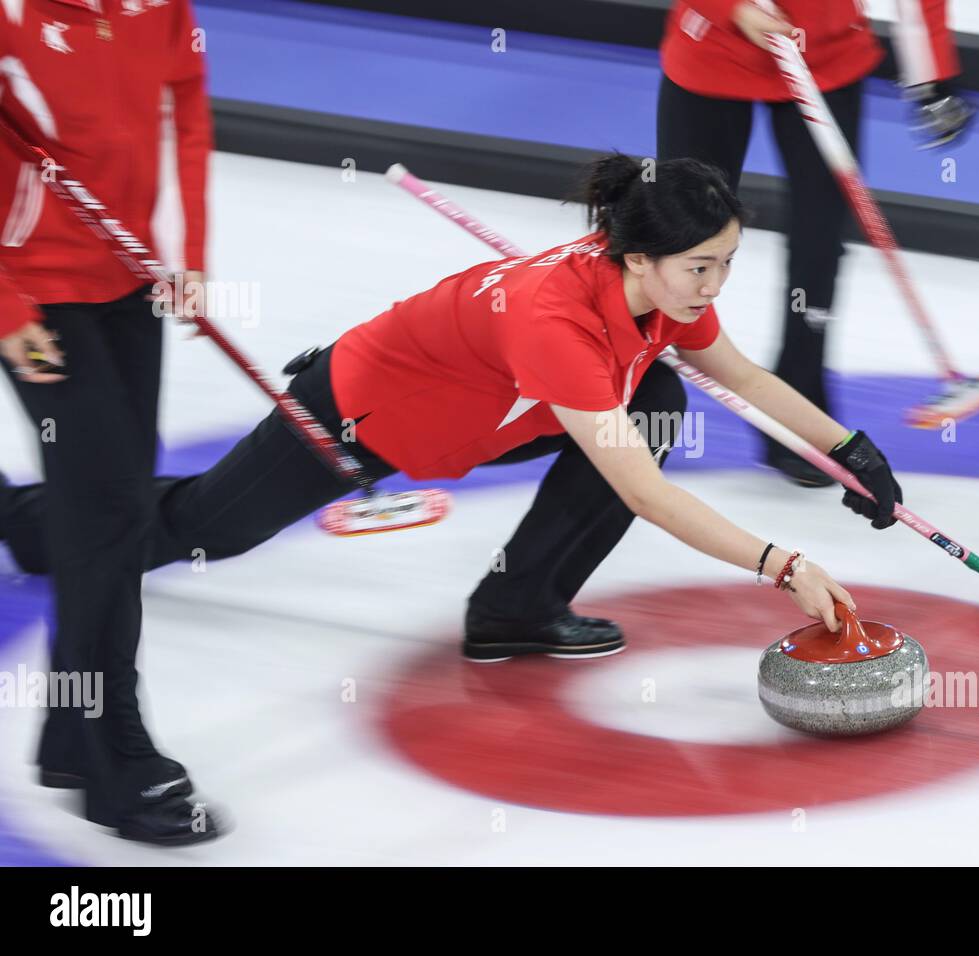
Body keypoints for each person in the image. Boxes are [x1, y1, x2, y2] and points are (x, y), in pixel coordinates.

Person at [2, 155, 904, 669]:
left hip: (483, 417)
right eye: (701, 266)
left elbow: (742, 376)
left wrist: (848, 449)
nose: (714, 286)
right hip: (363, 412)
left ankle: (516, 606)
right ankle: (35, 521)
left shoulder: (666, 294)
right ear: (636, 259)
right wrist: (784, 565)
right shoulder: (558, 323)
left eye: (726, 264)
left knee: (659, 394)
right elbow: (644, 491)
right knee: (207, 529)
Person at [0, 0, 217, 844]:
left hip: (127, 277)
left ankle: (69, 734)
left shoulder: (162, 6)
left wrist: (190, 251)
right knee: (106, 515)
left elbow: (188, 106)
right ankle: (110, 756)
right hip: (37, 294)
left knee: (113, 506)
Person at [657, 0, 970, 485]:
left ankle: (799, 416)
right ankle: (630, 393)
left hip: (825, 57)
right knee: (679, 235)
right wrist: (733, 10)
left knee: (820, 240)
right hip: (713, 51)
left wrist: (934, 78)